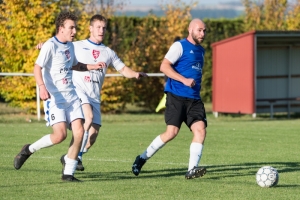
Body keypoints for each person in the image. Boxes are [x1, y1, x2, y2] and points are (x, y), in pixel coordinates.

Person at [41, 14, 147, 171]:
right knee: (87, 117)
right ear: (90, 28)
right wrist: (42, 45)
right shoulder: (76, 45)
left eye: (104, 28)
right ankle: (74, 160)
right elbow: (58, 46)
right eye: (98, 27)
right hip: (78, 90)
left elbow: (123, 69)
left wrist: (136, 74)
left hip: (94, 95)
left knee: (93, 134)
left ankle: (69, 156)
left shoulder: (108, 52)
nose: (101, 30)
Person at [13, 11, 105, 182]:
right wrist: (41, 87)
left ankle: (68, 173)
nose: (74, 31)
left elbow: (75, 65)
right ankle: (28, 149)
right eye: (71, 28)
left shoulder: (70, 46)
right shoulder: (50, 45)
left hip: (71, 97)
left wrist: (92, 66)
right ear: (61, 28)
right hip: (55, 98)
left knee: (79, 132)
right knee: (59, 136)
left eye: (75, 28)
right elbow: (36, 68)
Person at [132, 18, 207, 179]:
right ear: (190, 30)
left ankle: (192, 169)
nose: (202, 33)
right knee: (171, 133)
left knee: (200, 131)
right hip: (176, 96)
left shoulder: (201, 51)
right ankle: (142, 158)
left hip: (194, 99)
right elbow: (164, 66)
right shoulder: (179, 46)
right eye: (199, 30)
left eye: (204, 31)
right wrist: (184, 80)